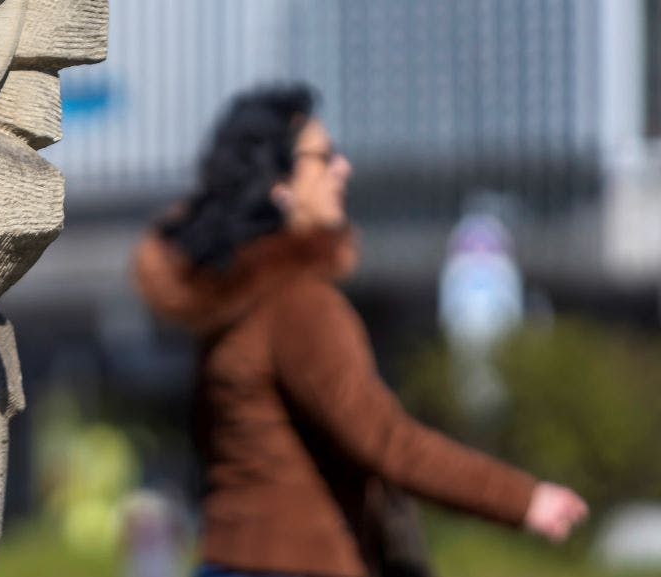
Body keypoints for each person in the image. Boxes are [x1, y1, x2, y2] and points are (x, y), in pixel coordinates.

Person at [132, 84, 588, 577]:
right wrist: (525, 499)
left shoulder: (231, 303)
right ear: (278, 186)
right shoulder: (296, 303)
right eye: (324, 157)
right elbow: (386, 441)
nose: (342, 168)